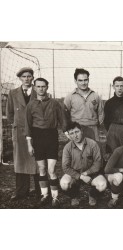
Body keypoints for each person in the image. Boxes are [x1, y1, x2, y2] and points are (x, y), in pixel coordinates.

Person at [25, 78, 65, 208]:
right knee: (42, 169)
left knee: (51, 169)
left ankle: (55, 197)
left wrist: (69, 134)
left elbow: (63, 121)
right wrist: (29, 144)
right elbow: (28, 126)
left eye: (43, 86)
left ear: (47, 87)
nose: (41, 89)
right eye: (38, 86)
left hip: (51, 136)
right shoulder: (30, 105)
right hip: (37, 137)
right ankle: (45, 195)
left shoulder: (55, 103)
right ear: (34, 88)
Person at [6, 67, 40, 201]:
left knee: (38, 161)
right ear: (20, 78)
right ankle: (21, 191)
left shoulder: (39, 91)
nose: (27, 79)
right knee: (20, 161)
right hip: (19, 133)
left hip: (36, 131)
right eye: (24, 76)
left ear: (32, 78)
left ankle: (40, 191)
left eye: (29, 76)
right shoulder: (13, 93)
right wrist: (16, 125)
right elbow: (9, 113)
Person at [60, 122, 107, 207]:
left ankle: (92, 195)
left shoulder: (93, 144)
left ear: (81, 131)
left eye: (77, 132)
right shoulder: (67, 147)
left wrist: (86, 173)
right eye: (72, 133)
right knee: (64, 184)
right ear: (69, 136)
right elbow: (65, 167)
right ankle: (74, 195)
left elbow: (98, 163)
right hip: (75, 174)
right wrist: (80, 176)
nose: (75, 135)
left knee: (102, 185)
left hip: (92, 174)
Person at [64, 68, 104, 141]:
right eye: (80, 80)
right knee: (77, 151)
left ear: (88, 80)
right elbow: (65, 114)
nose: (83, 83)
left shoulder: (95, 96)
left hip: (93, 129)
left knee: (93, 150)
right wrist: (71, 129)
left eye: (85, 80)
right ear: (75, 81)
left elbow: (101, 113)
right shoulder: (70, 97)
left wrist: (96, 125)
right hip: (76, 129)